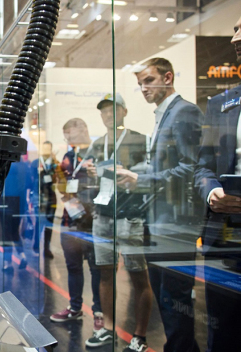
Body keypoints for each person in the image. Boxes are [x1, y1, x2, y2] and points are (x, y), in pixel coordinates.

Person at [119, 58, 203, 352]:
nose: (143, 88)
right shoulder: (163, 115)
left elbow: (189, 170)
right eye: (140, 83)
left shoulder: (185, 112)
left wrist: (140, 180)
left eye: (149, 80)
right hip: (159, 222)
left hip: (176, 223)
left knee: (175, 300)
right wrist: (134, 174)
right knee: (167, 299)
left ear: (168, 78)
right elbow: (164, 165)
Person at [83, 94, 152, 352]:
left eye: (113, 110)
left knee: (137, 274)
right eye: (103, 111)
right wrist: (91, 173)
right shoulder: (98, 143)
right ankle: (109, 328)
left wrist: (130, 171)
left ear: (124, 111)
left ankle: (140, 336)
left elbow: (149, 171)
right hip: (103, 214)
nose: (108, 115)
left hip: (129, 214)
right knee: (105, 272)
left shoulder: (139, 139)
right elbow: (91, 178)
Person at [194, 17, 241, 352]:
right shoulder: (218, 105)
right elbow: (202, 166)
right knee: (223, 331)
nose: (235, 36)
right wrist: (212, 190)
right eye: (234, 28)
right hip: (224, 234)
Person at [50, 118, 103, 332]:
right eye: (66, 136)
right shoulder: (68, 156)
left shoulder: (98, 152)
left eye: (70, 135)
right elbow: (63, 185)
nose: (68, 140)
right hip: (70, 220)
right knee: (73, 267)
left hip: (93, 221)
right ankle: (75, 308)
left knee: (96, 268)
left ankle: (100, 313)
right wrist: (60, 183)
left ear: (83, 129)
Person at [30, 141, 58, 258]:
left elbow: (57, 180)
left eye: (48, 149)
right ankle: (36, 246)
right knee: (40, 223)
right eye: (44, 148)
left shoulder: (54, 164)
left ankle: (47, 248)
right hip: (39, 196)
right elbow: (31, 180)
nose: (46, 151)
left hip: (51, 196)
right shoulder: (36, 163)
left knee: (49, 224)